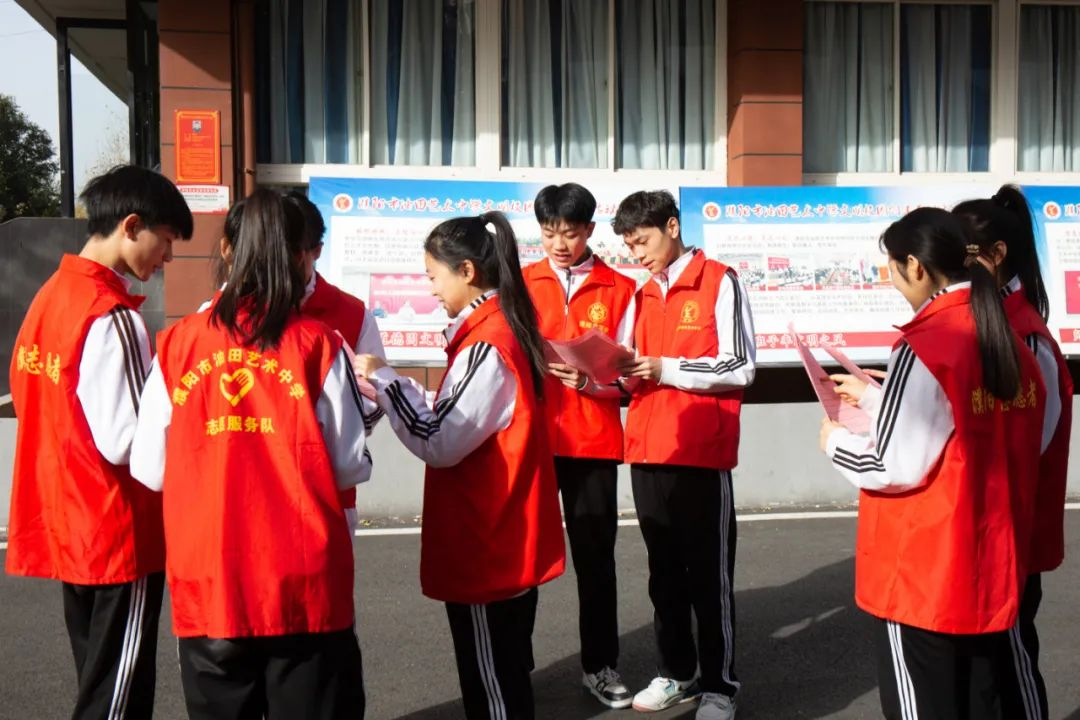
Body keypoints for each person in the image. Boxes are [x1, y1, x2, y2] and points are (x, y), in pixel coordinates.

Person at [130, 188, 371, 719]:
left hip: (210, 576)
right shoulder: (318, 342)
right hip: (301, 581)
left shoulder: (177, 343)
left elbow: (149, 468)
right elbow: (351, 461)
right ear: (298, 255)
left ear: (227, 252)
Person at [821, 207, 1045, 720]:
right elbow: (965, 426)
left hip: (923, 570)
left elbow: (889, 463)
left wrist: (834, 441)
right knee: (979, 699)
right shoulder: (1009, 338)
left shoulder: (926, 341)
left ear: (916, 267)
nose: (893, 278)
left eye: (893, 266)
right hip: (987, 557)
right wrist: (885, 402)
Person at [354, 212, 565, 720]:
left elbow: (440, 439)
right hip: (507, 537)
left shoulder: (486, 343)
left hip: (487, 542)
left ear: (466, 271)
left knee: (493, 689)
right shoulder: (504, 328)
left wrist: (386, 381)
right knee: (506, 674)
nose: (431, 289)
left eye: (433, 276)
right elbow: (469, 415)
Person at [6, 164, 192, 719]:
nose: (167, 259)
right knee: (116, 694)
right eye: (166, 242)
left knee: (96, 674)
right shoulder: (112, 316)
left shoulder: (47, 301)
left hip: (66, 517)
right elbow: (129, 442)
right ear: (132, 226)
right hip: (117, 529)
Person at [613, 190, 756, 720]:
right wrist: (596, 374)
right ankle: (677, 673)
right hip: (647, 449)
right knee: (663, 575)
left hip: (700, 451)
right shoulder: (641, 293)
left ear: (672, 226)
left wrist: (665, 368)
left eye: (643, 241)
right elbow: (632, 371)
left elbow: (740, 366)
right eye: (628, 246)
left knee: (709, 577)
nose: (637, 254)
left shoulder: (721, 280)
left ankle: (721, 685)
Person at [953, 187, 1072, 720]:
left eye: (960, 256)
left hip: (1012, 532)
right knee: (983, 674)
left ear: (996, 256)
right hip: (987, 530)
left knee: (1012, 665)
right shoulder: (989, 322)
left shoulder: (1027, 338)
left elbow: (1032, 445)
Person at [521, 183, 637, 708]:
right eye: (549, 233)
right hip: (533, 439)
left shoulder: (620, 288)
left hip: (592, 439)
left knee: (596, 560)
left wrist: (595, 381)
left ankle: (600, 665)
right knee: (523, 557)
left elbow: (632, 371)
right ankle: (514, 664)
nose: (559, 243)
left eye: (569, 233)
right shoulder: (521, 283)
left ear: (590, 230)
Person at [283, 190, 386, 532]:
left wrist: (329, 421)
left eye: (293, 251)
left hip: (329, 492)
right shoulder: (220, 315)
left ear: (315, 251)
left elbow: (375, 394)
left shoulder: (352, 314)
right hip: (250, 489)